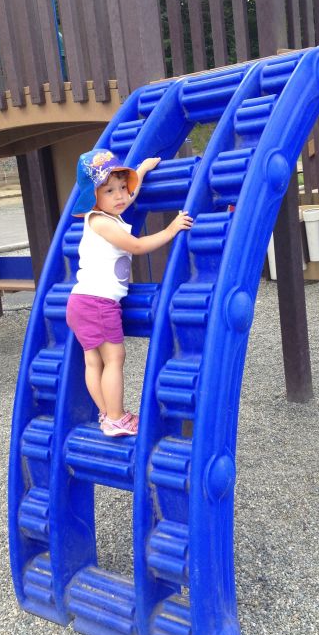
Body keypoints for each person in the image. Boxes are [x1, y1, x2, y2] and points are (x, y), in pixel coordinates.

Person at [66, 149, 193, 437]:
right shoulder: (101, 222)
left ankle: (106, 414)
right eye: (110, 190)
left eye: (123, 187)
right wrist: (171, 230)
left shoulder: (104, 217)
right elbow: (135, 246)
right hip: (98, 303)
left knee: (94, 361)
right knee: (114, 359)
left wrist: (142, 170)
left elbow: (127, 199)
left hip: (81, 301)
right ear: (93, 197)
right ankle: (115, 417)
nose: (121, 195)